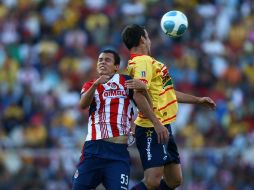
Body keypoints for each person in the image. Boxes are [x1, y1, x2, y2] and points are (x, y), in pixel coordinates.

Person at [121, 24, 216, 190]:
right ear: (142, 39)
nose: (150, 41)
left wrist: (198, 100)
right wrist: (157, 124)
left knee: (174, 180)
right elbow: (138, 94)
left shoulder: (151, 63)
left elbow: (169, 93)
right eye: (148, 37)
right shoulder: (142, 61)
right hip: (151, 127)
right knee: (152, 181)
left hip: (163, 125)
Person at [72, 49, 158, 190]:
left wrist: (145, 90)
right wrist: (95, 85)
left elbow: (147, 106)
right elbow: (82, 105)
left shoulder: (126, 81)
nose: (102, 62)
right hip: (94, 148)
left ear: (116, 66)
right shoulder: (90, 85)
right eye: (100, 60)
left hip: (118, 152)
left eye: (107, 60)